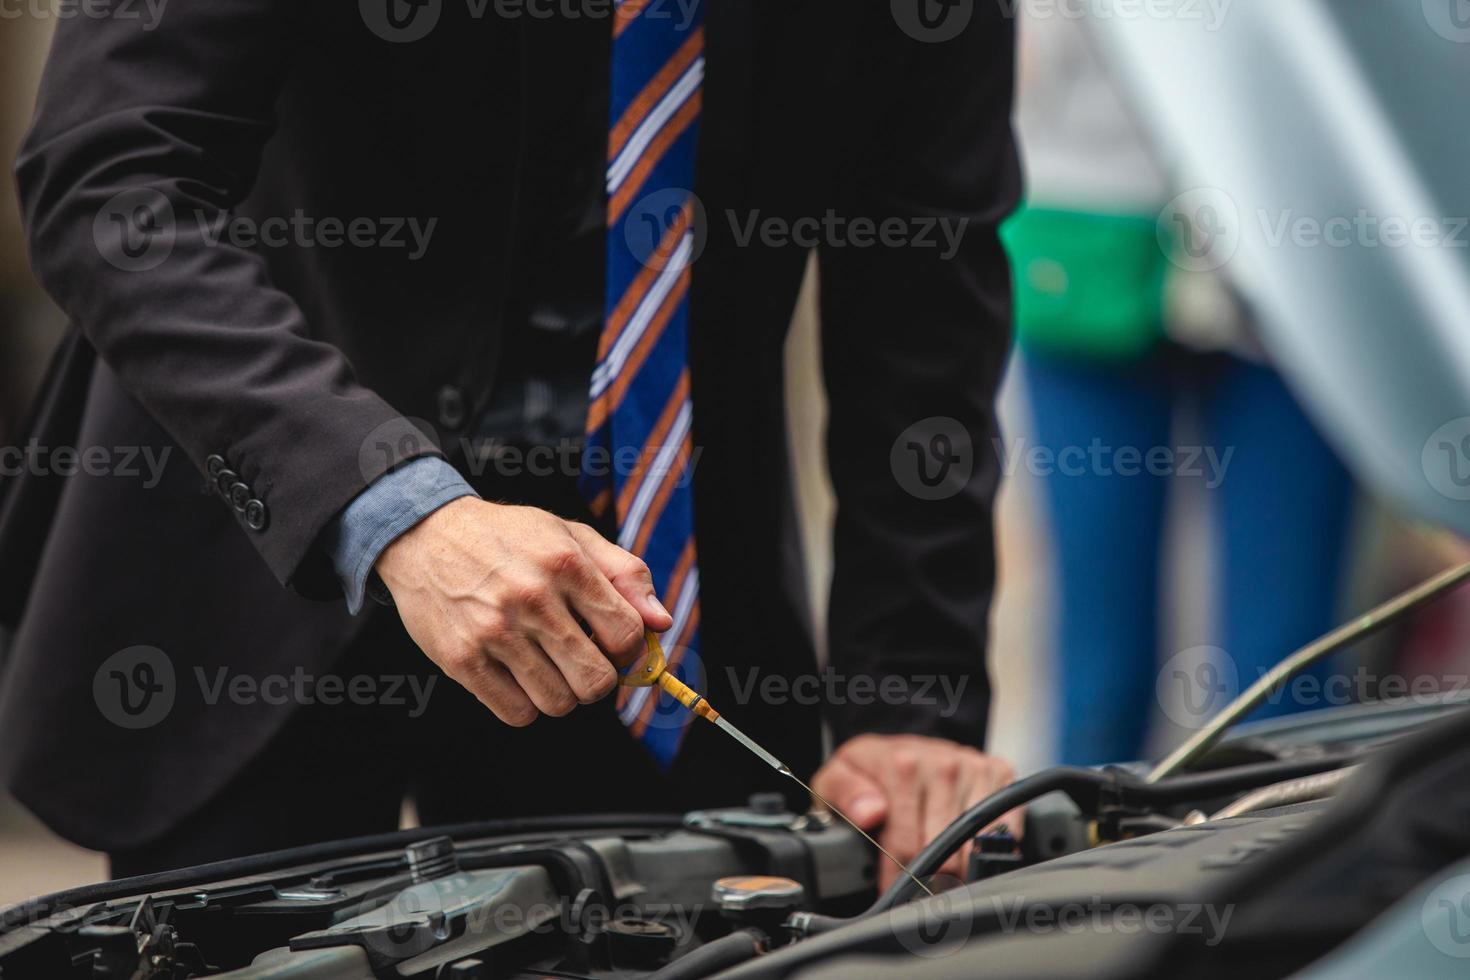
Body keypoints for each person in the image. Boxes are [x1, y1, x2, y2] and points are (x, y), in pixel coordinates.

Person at [0, 2, 1020, 886]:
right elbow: (115, 180)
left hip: (657, 610)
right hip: (259, 554)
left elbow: (922, 290)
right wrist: (399, 507)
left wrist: (910, 700)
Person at [1006, 8, 1353, 765]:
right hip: (1084, 225)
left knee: (1285, 676)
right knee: (1099, 679)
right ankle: (1087, 880)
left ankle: (1292, 876)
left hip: (1301, 230)